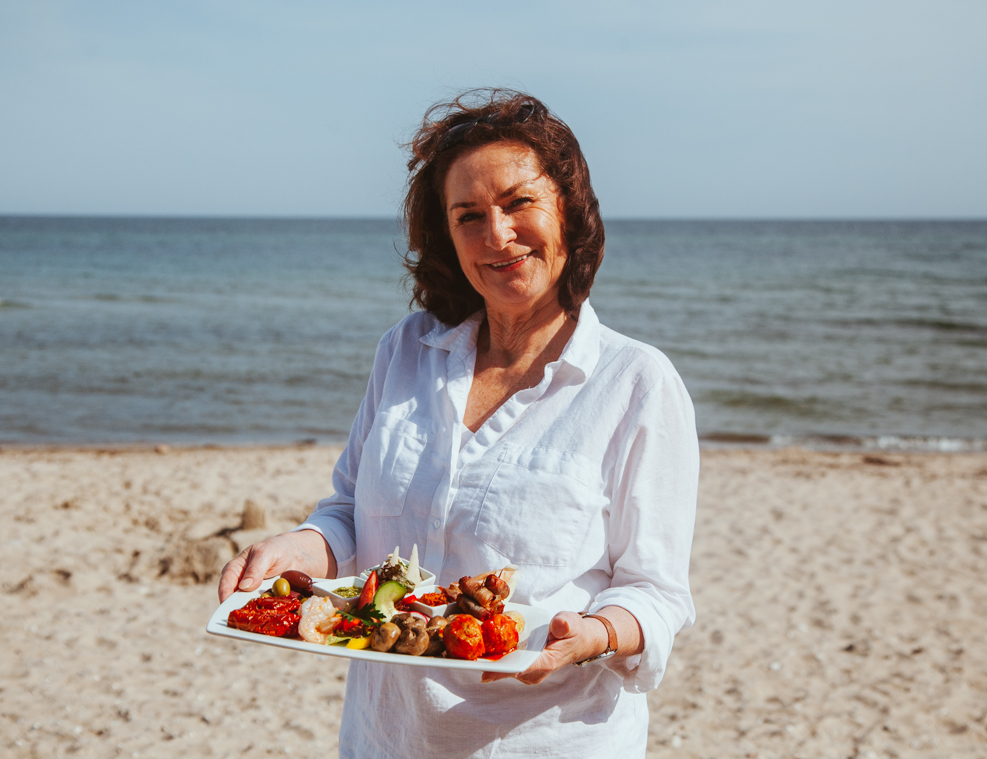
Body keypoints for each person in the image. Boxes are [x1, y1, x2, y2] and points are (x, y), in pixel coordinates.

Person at [218, 89, 698, 758]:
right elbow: (351, 514)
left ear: (567, 210)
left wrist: (595, 634)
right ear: (446, 236)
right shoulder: (405, 351)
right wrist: (295, 551)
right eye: (469, 215)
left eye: (519, 203)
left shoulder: (636, 383)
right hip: (384, 739)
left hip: (547, 742)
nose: (497, 235)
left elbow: (656, 591)